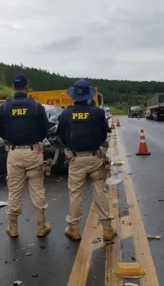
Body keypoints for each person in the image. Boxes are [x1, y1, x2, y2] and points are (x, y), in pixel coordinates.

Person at [57, 79, 116, 242]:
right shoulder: (97, 112)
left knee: (75, 194)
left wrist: (68, 148)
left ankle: (74, 229)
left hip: (76, 159)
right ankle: (107, 229)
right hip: (95, 157)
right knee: (99, 191)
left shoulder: (66, 113)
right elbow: (105, 133)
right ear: (89, 95)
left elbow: (60, 134)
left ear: (74, 95)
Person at [0, 74, 51, 238]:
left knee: (14, 191)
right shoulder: (36, 106)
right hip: (33, 152)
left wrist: (10, 139)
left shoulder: (5, 107)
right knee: (37, 189)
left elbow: (1, 130)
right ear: (27, 86)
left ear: (13, 87)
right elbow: (45, 129)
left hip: (14, 153)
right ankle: (41, 226)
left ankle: (13, 227)